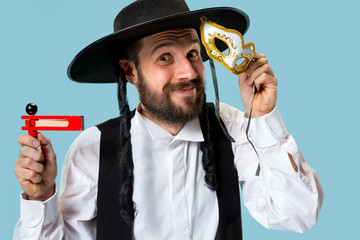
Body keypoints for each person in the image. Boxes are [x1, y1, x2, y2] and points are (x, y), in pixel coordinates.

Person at [13, 0, 323, 239]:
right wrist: (40, 197)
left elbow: (298, 215)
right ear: (130, 72)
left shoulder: (231, 127)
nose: (188, 72)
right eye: (165, 57)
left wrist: (265, 117)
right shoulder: (93, 148)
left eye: (192, 53)